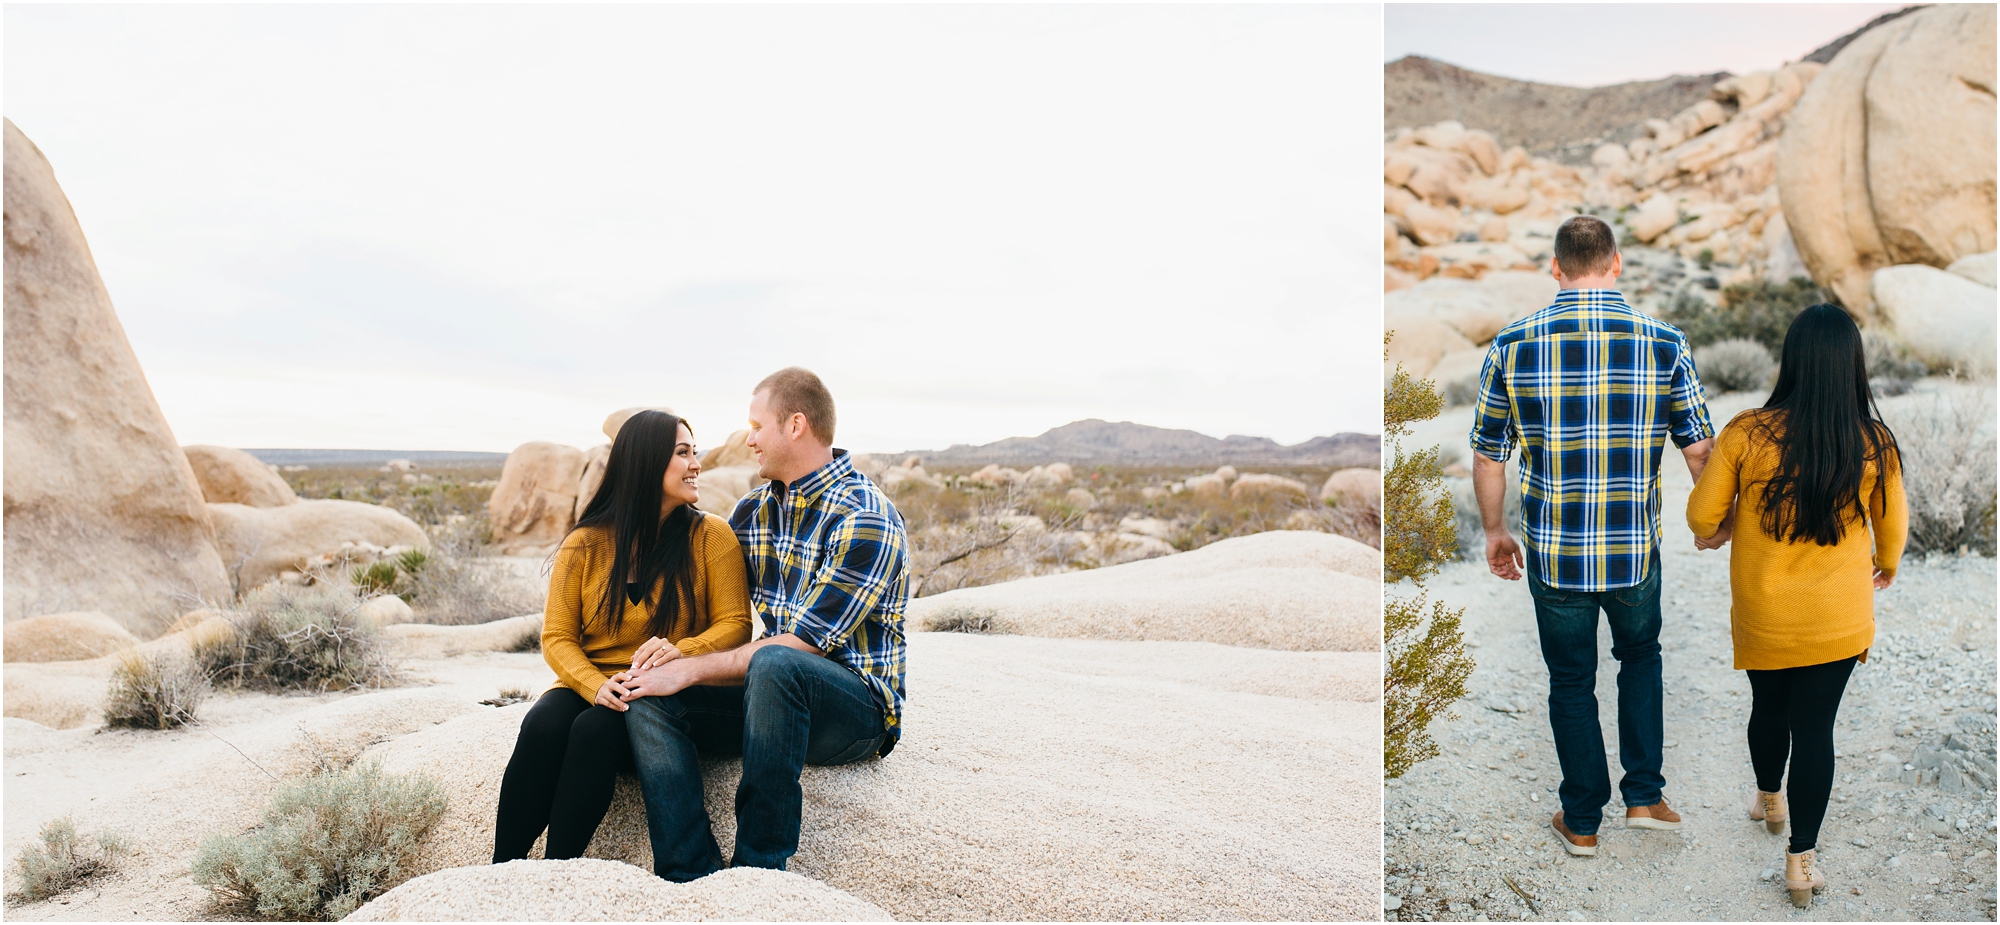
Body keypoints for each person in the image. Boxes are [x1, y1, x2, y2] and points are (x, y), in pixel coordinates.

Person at [1468, 214, 1716, 857]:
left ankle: (1581, 821)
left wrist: (1496, 531)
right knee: (1640, 659)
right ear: (1617, 263)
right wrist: (1716, 524)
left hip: (1554, 554)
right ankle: (1644, 798)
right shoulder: (1664, 341)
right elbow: (1699, 453)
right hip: (1633, 551)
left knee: (1571, 680)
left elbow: (1490, 455)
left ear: (1556, 268)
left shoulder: (1513, 343)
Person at [615, 366, 909, 881]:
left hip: (855, 711)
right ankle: (689, 872)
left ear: (796, 425)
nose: (748, 440)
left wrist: (692, 669)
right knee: (651, 693)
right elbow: (713, 607)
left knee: (778, 660)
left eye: (756, 426)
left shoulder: (866, 517)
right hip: (770, 696)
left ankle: (759, 871)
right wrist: (670, 658)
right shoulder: (752, 512)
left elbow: (804, 646)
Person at [1686, 304, 1906, 907]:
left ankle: (1769, 798)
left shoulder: (1746, 431)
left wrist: (1725, 525)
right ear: (1851, 367)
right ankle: (1801, 863)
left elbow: (1700, 516)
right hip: (1837, 614)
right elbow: (1892, 532)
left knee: (1768, 705)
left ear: (1792, 361)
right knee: (1817, 730)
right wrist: (1885, 563)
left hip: (1765, 608)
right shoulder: (1872, 440)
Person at [491, 411, 753, 864]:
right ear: (645, 462)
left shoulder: (712, 536)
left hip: (660, 692)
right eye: (683, 453)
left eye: (697, 452)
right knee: (543, 724)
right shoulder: (585, 543)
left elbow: (736, 625)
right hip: (595, 680)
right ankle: (502, 868)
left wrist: (680, 650)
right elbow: (556, 637)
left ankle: (555, 871)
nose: (697, 464)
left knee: (595, 730)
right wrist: (594, 685)